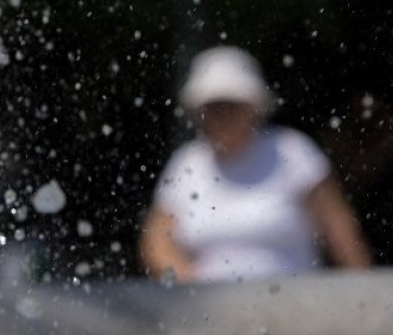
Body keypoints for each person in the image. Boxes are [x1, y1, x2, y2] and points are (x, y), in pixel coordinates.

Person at [139, 46, 373, 282]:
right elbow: (157, 242)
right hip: (212, 310)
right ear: (200, 112)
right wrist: (187, 284)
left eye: (232, 105)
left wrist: (363, 294)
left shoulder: (292, 151)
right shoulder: (186, 162)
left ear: (254, 106)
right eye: (214, 107)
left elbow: (340, 231)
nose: (223, 115)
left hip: (296, 303)